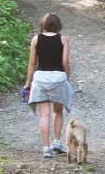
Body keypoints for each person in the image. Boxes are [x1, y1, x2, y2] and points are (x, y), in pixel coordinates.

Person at [24, 13, 74, 158]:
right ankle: (57, 142)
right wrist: (67, 79)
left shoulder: (36, 39)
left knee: (44, 115)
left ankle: (46, 148)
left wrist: (28, 82)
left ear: (43, 24)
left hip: (40, 78)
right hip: (58, 78)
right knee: (57, 112)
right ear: (58, 25)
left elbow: (32, 63)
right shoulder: (63, 39)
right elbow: (65, 62)